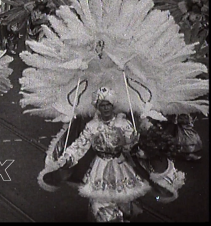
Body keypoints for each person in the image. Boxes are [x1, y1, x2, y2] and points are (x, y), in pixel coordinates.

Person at [39, 87, 186, 222]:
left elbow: (133, 143)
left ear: (113, 106)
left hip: (121, 164)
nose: (105, 108)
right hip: (100, 166)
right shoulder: (92, 127)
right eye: (102, 105)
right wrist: (68, 158)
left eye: (108, 105)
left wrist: (138, 145)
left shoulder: (124, 124)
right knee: (102, 200)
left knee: (124, 198)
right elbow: (80, 145)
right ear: (97, 107)